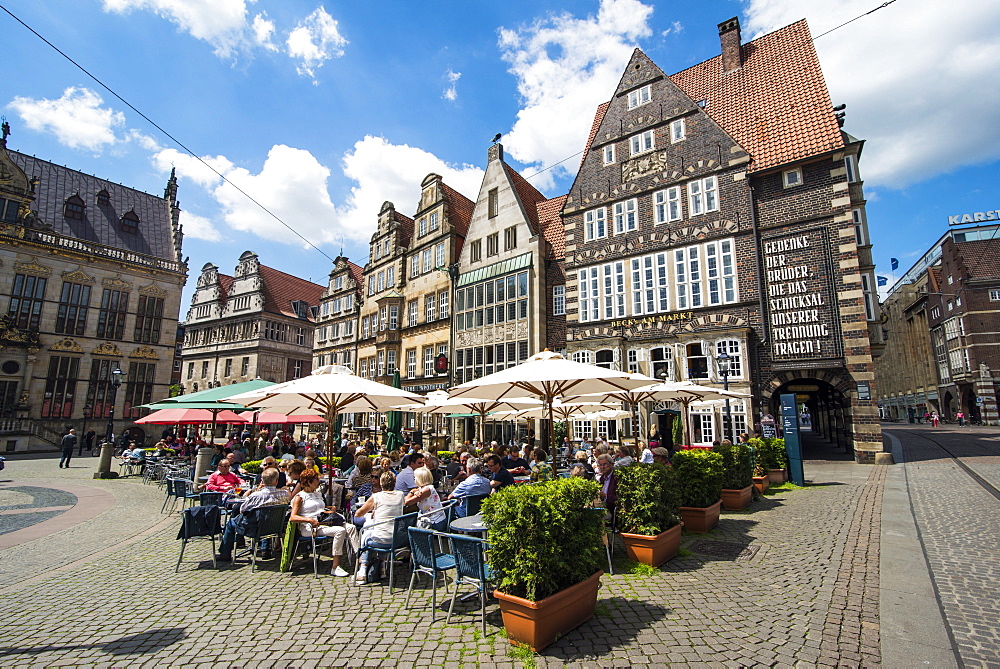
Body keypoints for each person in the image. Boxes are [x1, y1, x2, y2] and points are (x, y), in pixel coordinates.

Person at [289, 469, 358, 577]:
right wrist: (310, 520)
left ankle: (361, 560)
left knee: (351, 527)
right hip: (310, 527)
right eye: (316, 479)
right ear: (309, 481)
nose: (319, 481)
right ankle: (335, 567)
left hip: (324, 522)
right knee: (339, 531)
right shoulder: (299, 497)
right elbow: (292, 517)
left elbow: (319, 509)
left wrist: (330, 510)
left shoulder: (318, 494)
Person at [216, 467, 291, 562]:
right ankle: (265, 549)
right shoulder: (284, 494)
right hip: (276, 528)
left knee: (231, 523)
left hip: (255, 528)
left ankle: (225, 553)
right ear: (276, 481)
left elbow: (242, 509)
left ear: (262, 481)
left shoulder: (256, 495)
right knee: (265, 519)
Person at [354, 470, 406, 582]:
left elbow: (359, 513)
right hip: (397, 539)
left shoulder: (376, 496)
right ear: (394, 483)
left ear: (381, 484)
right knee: (383, 530)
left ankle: (363, 568)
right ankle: (382, 566)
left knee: (367, 533)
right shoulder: (400, 495)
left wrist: (373, 509)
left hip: (381, 539)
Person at [405, 466, 447, 531]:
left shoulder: (427, 490)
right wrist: (414, 491)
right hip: (435, 519)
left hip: (435, 523)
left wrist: (411, 492)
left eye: (415, 477)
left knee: (408, 527)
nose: (414, 479)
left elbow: (407, 502)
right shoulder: (424, 488)